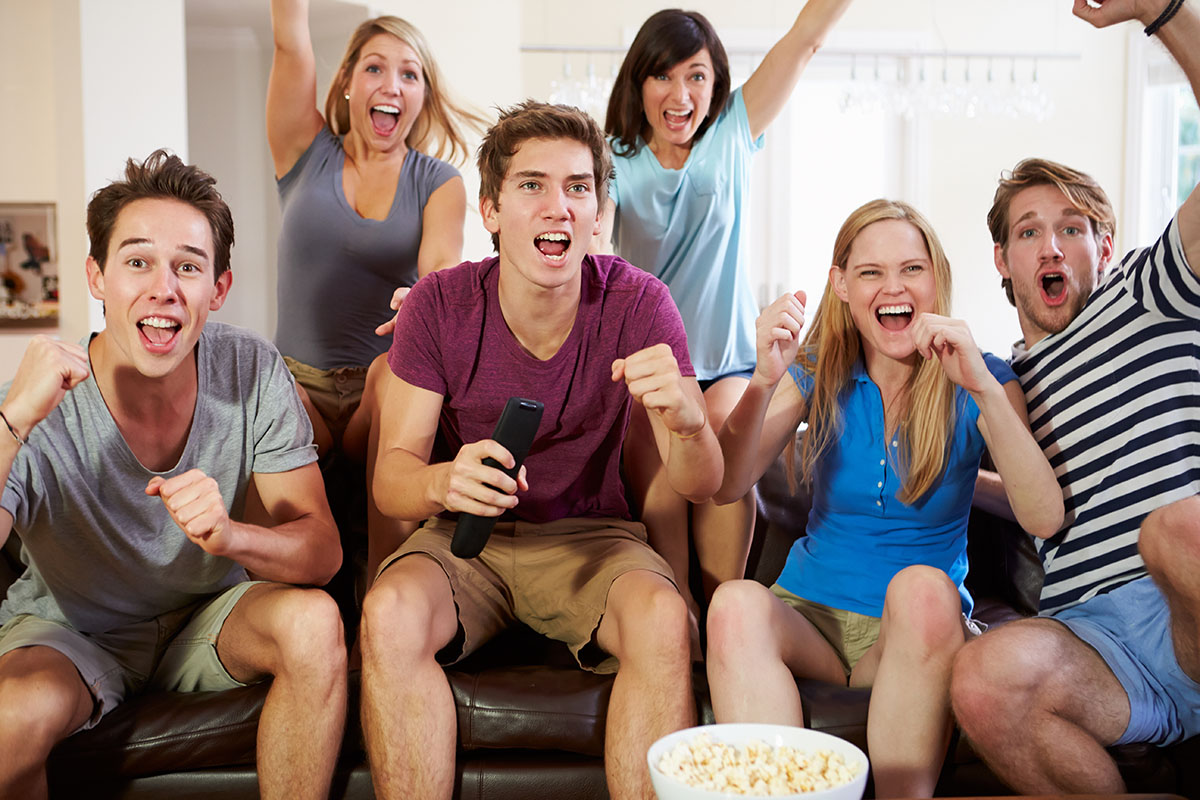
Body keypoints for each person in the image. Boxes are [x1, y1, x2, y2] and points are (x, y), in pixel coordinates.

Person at [358, 101, 723, 800]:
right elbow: (391, 477)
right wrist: (443, 482)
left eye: (578, 188)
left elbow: (703, 483)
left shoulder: (641, 305)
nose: (558, 207)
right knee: (389, 613)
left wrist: (690, 425)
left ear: (599, 212)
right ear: (491, 210)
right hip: (469, 542)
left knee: (661, 619)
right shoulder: (439, 304)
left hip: (594, 542)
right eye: (532, 186)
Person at [0, 151, 346, 799]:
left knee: (313, 621)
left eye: (188, 266)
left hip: (209, 618)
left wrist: (231, 536)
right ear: (96, 277)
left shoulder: (250, 367)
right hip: (75, 630)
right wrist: (14, 417)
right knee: (13, 717)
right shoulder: (37, 401)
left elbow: (322, 553)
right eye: (137, 262)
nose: (164, 288)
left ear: (218, 289)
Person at [705, 199, 1063, 798]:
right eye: (870, 272)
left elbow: (1043, 515)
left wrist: (980, 385)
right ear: (841, 285)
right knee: (735, 604)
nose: (892, 287)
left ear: (936, 279)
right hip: (809, 619)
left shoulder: (982, 376)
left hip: (910, 631)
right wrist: (766, 380)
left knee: (923, 588)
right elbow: (728, 484)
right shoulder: (819, 368)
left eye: (912, 269)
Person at [949, 2, 1200, 793]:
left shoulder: (1148, 290)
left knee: (1175, 532)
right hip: (1097, 634)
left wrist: (1165, 14)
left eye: (1071, 227)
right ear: (1002, 260)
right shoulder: (999, 377)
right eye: (1028, 231)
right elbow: (1039, 499)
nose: (1051, 245)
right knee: (982, 677)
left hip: (1189, 576)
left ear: (1106, 243)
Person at [598, 1, 854, 611]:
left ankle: (721, 607)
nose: (680, 91)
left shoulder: (733, 134)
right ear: (639, 82)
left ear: (715, 86)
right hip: (651, 369)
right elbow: (589, 237)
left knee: (719, 446)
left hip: (727, 362)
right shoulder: (611, 159)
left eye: (696, 75)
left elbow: (807, 37)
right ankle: (678, 603)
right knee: (664, 471)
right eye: (663, 75)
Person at [267, 0, 483, 451]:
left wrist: (425, 299)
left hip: (385, 385)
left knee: (389, 378)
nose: (392, 86)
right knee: (259, 373)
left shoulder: (438, 182)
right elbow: (290, 45)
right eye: (374, 69)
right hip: (297, 388)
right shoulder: (303, 149)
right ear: (346, 81)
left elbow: (440, 270)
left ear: (424, 95)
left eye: (409, 74)